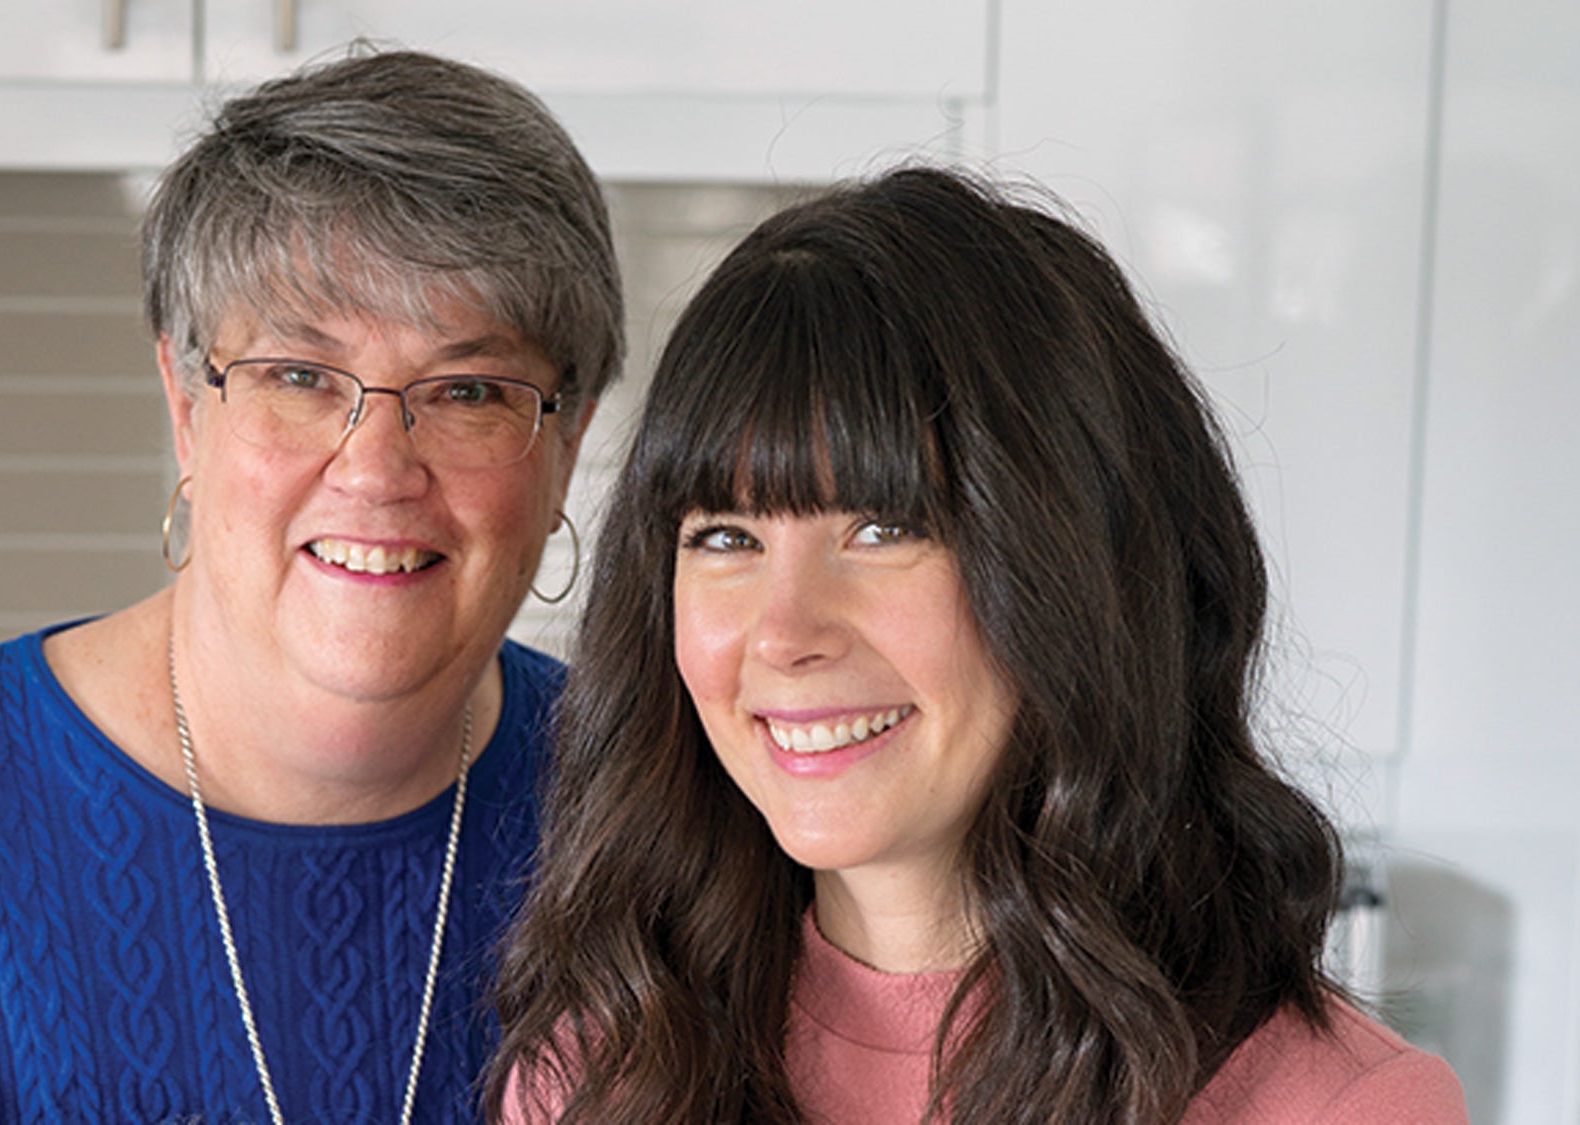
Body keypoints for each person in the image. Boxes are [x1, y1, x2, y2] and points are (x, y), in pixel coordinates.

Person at [0, 47, 621, 1124]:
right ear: (183, 403)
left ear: (565, 441)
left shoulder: (648, 807)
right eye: (297, 375)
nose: (376, 469)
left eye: (467, 390)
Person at [488, 167, 1466, 1123]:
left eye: (882, 530)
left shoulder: (1342, 1107)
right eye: (725, 538)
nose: (783, 633)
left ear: (1081, 567)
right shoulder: (598, 1078)